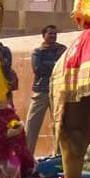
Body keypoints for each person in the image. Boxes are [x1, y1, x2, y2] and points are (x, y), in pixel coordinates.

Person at [25, 25, 66, 154]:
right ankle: (27, 154)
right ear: (44, 36)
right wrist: (55, 65)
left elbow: (64, 66)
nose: (53, 36)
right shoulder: (38, 52)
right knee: (32, 123)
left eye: (55, 34)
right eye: (50, 34)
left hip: (58, 90)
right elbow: (38, 69)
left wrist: (49, 65)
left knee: (59, 124)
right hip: (41, 90)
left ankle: (59, 154)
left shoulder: (62, 50)